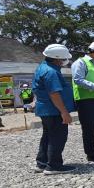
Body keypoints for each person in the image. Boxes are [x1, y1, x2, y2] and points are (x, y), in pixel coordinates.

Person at [32, 44, 77, 174]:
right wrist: (64, 112)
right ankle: (54, 165)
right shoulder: (51, 72)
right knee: (57, 137)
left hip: (45, 110)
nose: (64, 61)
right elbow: (54, 94)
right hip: (54, 110)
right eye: (63, 59)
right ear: (57, 59)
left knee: (47, 136)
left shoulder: (42, 67)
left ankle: (42, 163)